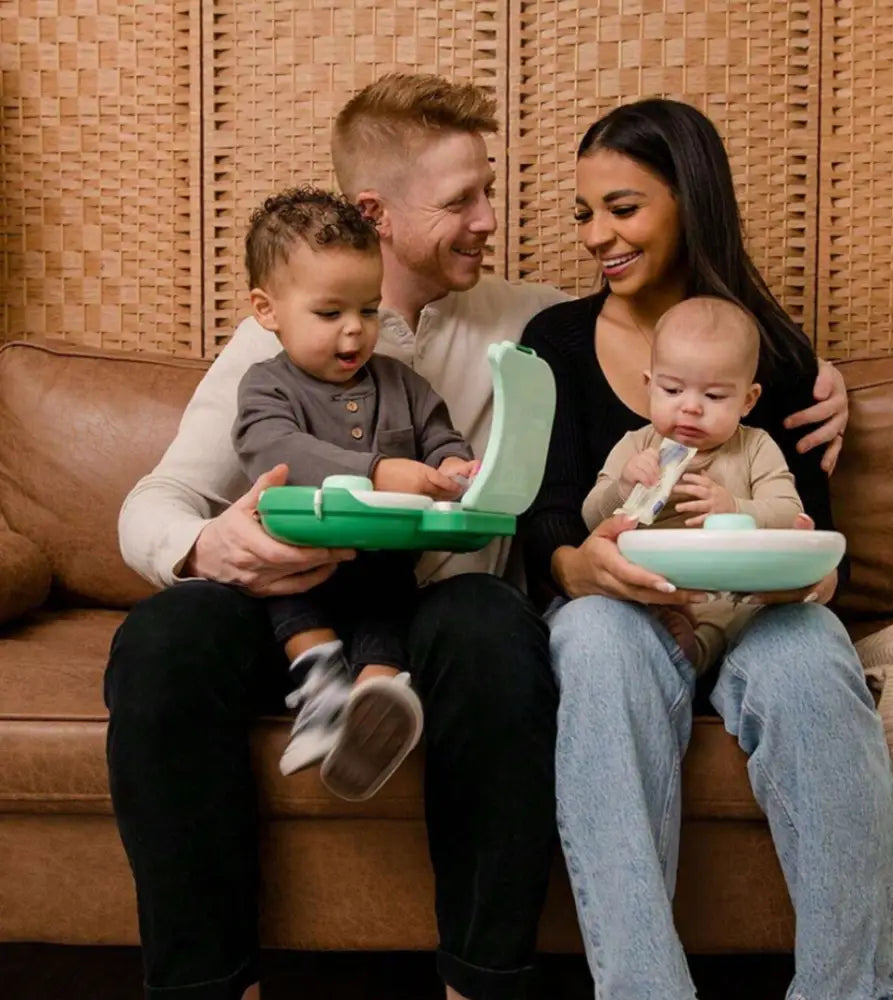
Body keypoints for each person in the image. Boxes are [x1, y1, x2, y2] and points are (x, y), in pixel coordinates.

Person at [105, 74, 566, 1000]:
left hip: (433, 605)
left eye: (489, 190)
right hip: (297, 594)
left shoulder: (534, 321)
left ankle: (483, 981)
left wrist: (806, 374)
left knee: (496, 632)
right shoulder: (268, 346)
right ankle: (207, 987)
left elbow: (686, 335)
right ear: (376, 213)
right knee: (160, 643)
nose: (489, 219)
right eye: (462, 200)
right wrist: (207, 550)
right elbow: (154, 501)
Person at [520, 98, 893, 1000]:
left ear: (689, 202)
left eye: (622, 207)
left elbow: (808, 529)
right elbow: (545, 522)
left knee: (812, 655)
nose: (595, 235)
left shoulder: (776, 356)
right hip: (622, 609)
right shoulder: (555, 345)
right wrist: (584, 566)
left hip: (754, 616)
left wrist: (814, 570)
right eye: (584, 213)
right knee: (594, 640)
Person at [232, 187, 477, 797]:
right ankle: (320, 689)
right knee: (283, 593)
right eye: (329, 313)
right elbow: (271, 447)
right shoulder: (265, 386)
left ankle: (376, 699)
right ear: (268, 310)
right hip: (297, 562)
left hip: (381, 559)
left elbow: (443, 436)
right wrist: (377, 471)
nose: (354, 331)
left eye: (368, 310)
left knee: (390, 598)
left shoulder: (403, 383)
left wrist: (457, 467)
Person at [582, 295, 803, 671]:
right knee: (615, 610)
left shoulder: (755, 448)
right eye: (672, 391)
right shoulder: (637, 446)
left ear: (748, 401)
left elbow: (789, 513)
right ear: (649, 385)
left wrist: (736, 508)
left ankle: (699, 651)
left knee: (738, 612)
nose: (690, 407)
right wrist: (622, 488)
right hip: (650, 586)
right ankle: (670, 646)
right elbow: (591, 518)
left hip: (728, 590)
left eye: (714, 395)